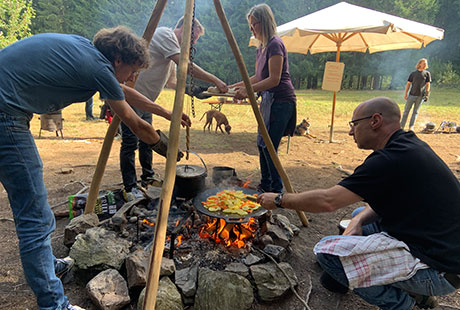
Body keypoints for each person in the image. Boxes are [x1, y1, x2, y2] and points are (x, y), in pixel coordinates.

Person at [0, 26, 190, 310]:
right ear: (118, 60)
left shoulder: (86, 51)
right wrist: (166, 148)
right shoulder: (98, 67)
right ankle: (54, 305)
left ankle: (48, 267)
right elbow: (135, 123)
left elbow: (121, 90)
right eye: (132, 70)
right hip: (5, 116)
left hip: (8, 109)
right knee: (36, 220)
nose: (133, 78)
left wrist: (164, 111)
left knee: (33, 213)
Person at [258, 97, 460, 310]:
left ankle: (403, 305)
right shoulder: (407, 145)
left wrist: (279, 199)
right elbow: (384, 200)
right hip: (442, 247)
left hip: (439, 270)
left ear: (375, 121)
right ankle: (418, 295)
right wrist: (357, 221)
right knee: (358, 213)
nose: (350, 132)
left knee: (328, 256)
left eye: (354, 124)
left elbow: (328, 201)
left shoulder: (388, 160)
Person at [120, 16, 227, 198]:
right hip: (131, 96)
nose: (192, 43)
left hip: (147, 102)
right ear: (183, 28)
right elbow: (185, 65)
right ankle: (130, 187)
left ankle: (148, 177)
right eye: (193, 38)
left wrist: (195, 91)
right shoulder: (164, 34)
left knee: (148, 140)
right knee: (130, 142)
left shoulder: (169, 52)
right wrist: (214, 79)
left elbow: (173, 82)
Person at [230, 3, 296, 194]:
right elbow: (258, 77)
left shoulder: (275, 44)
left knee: (269, 147)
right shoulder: (262, 47)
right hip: (268, 101)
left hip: (281, 101)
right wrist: (235, 86)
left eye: (254, 25)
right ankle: (265, 185)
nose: (252, 30)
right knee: (262, 145)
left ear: (265, 22)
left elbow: (274, 79)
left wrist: (248, 92)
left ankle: (276, 191)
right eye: (250, 26)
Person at [401, 58, 431, 131]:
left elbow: (428, 84)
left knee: (415, 112)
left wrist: (427, 94)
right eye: (423, 63)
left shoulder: (427, 74)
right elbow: (408, 84)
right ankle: (401, 126)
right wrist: (405, 94)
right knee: (406, 111)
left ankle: (411, 127)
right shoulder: (413, 74)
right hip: (411, 95)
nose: (424, 65)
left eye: (425, 64)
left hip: (420, 96)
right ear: (419, 64)